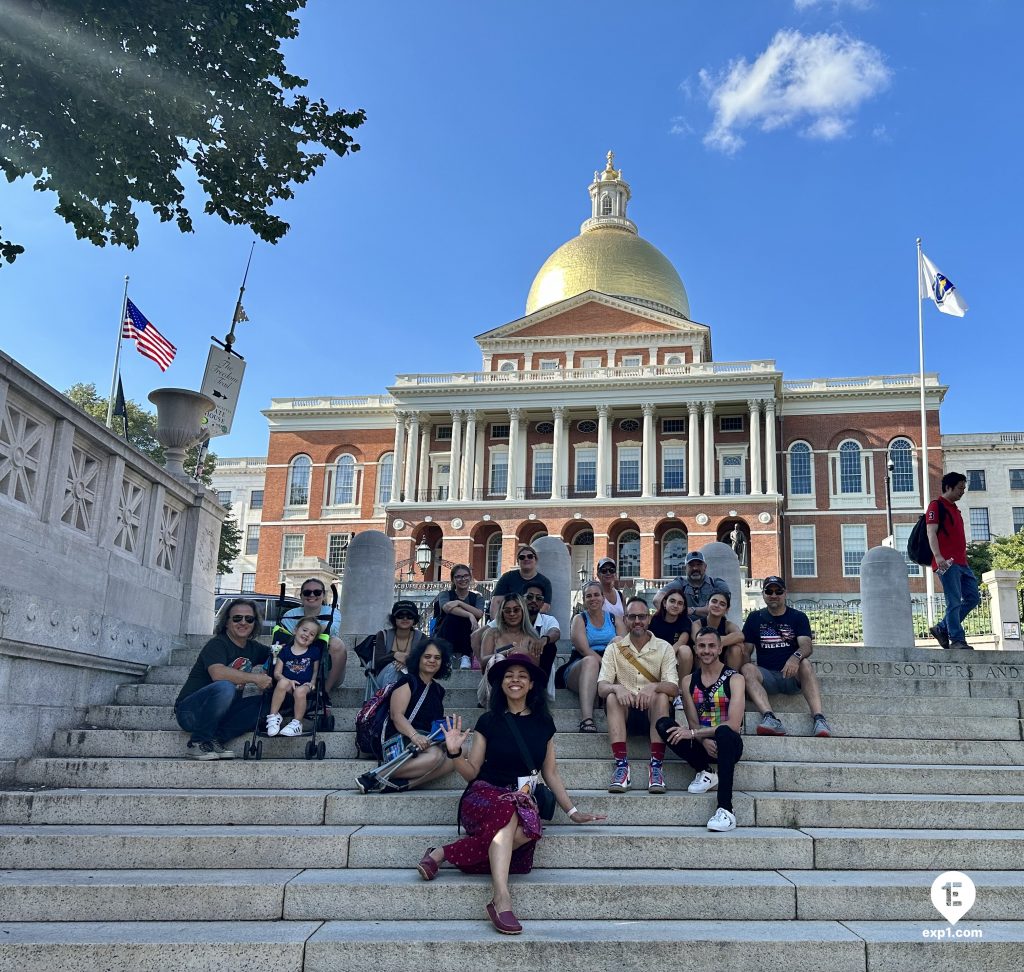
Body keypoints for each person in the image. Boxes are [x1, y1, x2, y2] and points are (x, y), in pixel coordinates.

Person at [415, 654, 605, 935]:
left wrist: (573, 812)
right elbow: (472, 772)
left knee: (522, 820)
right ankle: (501, 898)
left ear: (531, 686)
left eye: (521, 676)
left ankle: (442, 853)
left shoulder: (544, 724)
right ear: (500, 684)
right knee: (509, 810)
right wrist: (454, 753)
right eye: (508, 675)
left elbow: (550, 773)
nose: (514, 680)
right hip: (484, 795)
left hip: (523, 800)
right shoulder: (488, 721)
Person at [656, 626, 745, 832]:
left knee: (724, 732)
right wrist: (702, 740)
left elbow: (733, 724)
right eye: (702, 646)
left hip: (728, 745)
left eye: (712, 646)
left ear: (720, 648)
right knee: (664, 724)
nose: (707, 650)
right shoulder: (688, 681)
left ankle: (725, 810)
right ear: (695, 649)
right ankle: (705, 771)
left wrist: (696, 734)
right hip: (703, 743)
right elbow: (693, 722)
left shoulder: (735, 678)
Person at [598, 597, 678, 793]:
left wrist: (654, 686)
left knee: (661, 695)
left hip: (655, 715)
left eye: (641, 616)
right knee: (610, 695)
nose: (637, 621)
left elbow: (674, 688)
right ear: (625, 619)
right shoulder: (614, 648)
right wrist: (617, 688)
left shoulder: (664, 647)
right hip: (625, 713)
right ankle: (622, 766)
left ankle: (656, 767)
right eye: (632, 617)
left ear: (649, 619)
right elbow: (601, 687)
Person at [174, 598, 272, 759]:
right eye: (237, 618)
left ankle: (215, 739)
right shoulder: (217, 644)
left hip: (223, 713)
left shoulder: (254, 648)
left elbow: (281, 654)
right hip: (191, 712)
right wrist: (255, 678)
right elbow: (217, 673)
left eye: (249, 619)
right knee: (225, 686)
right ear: (226, 622)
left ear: (254, 623)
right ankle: (197, 743)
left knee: (270, 701)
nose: (243, 622)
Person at [356, 638, 455, 794]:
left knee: (456, 755)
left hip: (423, 741)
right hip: (400, 737)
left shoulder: (438, 690)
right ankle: (375, 776)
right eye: (427, 656)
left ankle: (404, 784)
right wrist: (414, 735)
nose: (432, 661)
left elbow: (430, 723)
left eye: (437, 658)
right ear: (418, 659)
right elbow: (397, 715)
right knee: (436, 756)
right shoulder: (408, 681)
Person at [741, 576, 832, 738]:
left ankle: (819, 718)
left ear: (785, 593)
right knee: (747, 668)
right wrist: (745, 682)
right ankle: (770, 718)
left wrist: (795, 657)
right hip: (767, 676)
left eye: (778, 591)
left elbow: (806, 645)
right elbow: (746, 651)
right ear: (763, 594)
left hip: (792, 675)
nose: (773, 595)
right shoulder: (754, 618)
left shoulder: (798, 617)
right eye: (769, 591)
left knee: (805, 663)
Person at [563, 580, 625, 733]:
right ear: (584, 600)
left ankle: (621, 715)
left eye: (596, 595)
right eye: (588, 596)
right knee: (591, 661)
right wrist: (606, 666)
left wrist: (609, 667)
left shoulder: (614, 619)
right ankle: (586, 719)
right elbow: (584, 650)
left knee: (618, 641)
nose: (593, 599)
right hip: (581, 665)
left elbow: (624, 648)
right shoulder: (579, 619)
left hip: (610, 664)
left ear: (603, 597)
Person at [926, 471, 980, 651]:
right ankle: (957, 640)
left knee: (973, 598)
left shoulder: (956, 510)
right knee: (954, 601)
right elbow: (931, 532)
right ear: (948, 487)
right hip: (946, 564)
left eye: (964, 488)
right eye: (960, 488)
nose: (962, 491)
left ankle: (942, 627)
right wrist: (938, 556)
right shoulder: (936, 505)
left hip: (963, 564)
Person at [280, 579, 348, 707]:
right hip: (297, 667)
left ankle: (323, 694)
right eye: (307, 592)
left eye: (317, 592)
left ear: (323, 595)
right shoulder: (290, 614)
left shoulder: (333, 612)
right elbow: (285, 641)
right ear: (301, 596)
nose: (312, 595)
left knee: (336, 643)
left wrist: (302, 631)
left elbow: (328, 631)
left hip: (327, 669)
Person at [478, 595, 545, 706]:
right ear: (502, 613)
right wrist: (507, 653)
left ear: (523, 611)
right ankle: (496, 708)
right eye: (507, 611)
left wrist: (524, 653)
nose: (512, 614)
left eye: (516, 610)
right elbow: (483, 662)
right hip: (491, 689)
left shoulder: (531, 637)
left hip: (521, 689)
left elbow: (536, 666)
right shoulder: (492, 633)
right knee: (497, 659)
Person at [266, 617, 322, 737]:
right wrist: (286, 680)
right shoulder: (285, 651)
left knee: (300, 691)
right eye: (304, 630)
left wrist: (312, 683)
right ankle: (273, 717)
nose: (307, 635)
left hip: (306, 686)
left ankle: (297, 723)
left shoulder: (314, 651)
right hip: (288, 685)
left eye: (312, 634)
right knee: (282, 683)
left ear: (313, 639)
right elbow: (277, 673)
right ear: (295, 630)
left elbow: (316, 671)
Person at [433, 565, 486, 669]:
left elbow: (479, 614)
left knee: (465, 620)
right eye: (458, 576)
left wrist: (459, 603)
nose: (463, 579)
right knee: (452, 617)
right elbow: (447, 608)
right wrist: (469, 614)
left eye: (466, 576)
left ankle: (465, 656)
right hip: (446, 635)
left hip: (467, 635)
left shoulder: (477, 597)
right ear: (453, 579)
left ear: (470, 577)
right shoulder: (445, 594)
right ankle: (449, 656)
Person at [370, 600, 429, 691]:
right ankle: (387, 701)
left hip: (412, 677)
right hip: (384, 678)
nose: (405, 618)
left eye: (409, 616)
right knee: (394, 668)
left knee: (403, 669)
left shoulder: (422, 638)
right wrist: (395, 655)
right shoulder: (383, 635)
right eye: (400, 615)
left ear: (414, 619)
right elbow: (377, 662)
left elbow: (426, 662)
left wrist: (407, 662)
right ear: (394, 618)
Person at [653, 551, 730, 621]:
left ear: (705, 567)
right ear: (684, 568)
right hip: (684, 628)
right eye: (691, 565)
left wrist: (691, 610)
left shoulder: (717, 584)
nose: (695, 568)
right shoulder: (679, 583)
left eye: (699, 564)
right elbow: (657, 600)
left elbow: (721, 609)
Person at [489, 545, 552, 618]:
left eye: (530, 556)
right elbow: (497, 602)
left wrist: (523, 620)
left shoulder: (545, 582)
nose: (526, 559)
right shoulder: (507, 577)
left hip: (533, 620)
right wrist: (496, 624)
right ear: (518, 562)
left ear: (536, 560)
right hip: (509, 619)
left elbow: (545, 607)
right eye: (522, 557)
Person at [693, 589, 744, 672]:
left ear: (726, 610)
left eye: (722, 604)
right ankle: (701, 682)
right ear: (707, 604)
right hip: (702, 661)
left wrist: (713, 642)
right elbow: (698, 640)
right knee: (703, 648)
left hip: (723, 662)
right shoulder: (697, 624)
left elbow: (740, 635)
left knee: (736, 648)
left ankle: (730, 679)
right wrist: (730, 640)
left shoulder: (728, 625)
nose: (717, 605)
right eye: (714, 601)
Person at [649, 588, 693, 685]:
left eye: (680, 603)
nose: (675, 605)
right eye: (672, 601)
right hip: (656, 657)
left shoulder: (685, 621)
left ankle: (681, 689)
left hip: (676, 657)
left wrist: (666, 656)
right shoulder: (655, 620)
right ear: (664, 603)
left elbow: (681, 641)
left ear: (683, 608)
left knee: (685, 650)